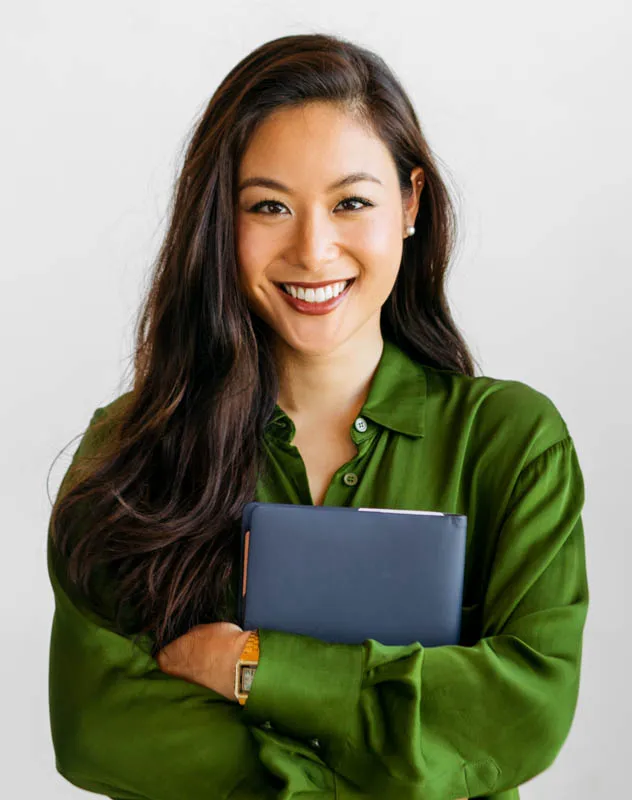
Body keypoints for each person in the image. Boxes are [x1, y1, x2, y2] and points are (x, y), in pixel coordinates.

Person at [47, 32, 589, 800]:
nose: (313, 247)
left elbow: (524, 710)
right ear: (219, 222)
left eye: (351, 202)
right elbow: (100, 730)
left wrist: (253, 669)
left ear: (409, 204)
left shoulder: (509, 442)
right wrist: (391, 752)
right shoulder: (132, 449)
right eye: (268, 205)